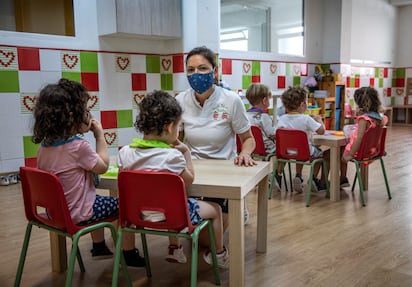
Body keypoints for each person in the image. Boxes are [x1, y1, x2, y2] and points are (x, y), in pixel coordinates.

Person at [32, 78, 145, 267]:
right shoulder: (78, 146)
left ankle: (99, 246)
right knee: (123, 205)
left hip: (57, 212)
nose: (89, 115)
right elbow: (102, 166)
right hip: (79, 213)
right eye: (85, 111)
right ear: (71, 116)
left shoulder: (44, 147)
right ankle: (128, 253)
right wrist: (100, 137)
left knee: (93, 197)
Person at [117, 90, 229, 268]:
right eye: (179, 126)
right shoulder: (172, 157)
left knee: (166, 199)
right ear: (170, 127)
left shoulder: (124, 153)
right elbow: (189, 179)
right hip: (170, 215)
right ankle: (219, 253)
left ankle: (174, 248)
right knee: (214, 209)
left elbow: (126, 183)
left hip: (138, 215)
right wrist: (186, 152)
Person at [175, 46, 256, 224]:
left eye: (202, 68)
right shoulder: (180, 100)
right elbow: (176, 141)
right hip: (193, 170)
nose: (196, 74)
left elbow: (248, 139)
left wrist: (245, 153)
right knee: (196, 228)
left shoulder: (231, 100)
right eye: (190, 70)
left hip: (225, 171)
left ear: (215, 71)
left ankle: (237, 205)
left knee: (209, 236)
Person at [276, 86, 329, 193]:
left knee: (296, 151)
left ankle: (290, 175)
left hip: (287, 152)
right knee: (321, 155)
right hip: (305, 151)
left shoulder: (281, 119)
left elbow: (276, 132)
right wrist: (319, 120)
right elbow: (321, 131)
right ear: (302, 105)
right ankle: (313, 179)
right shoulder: (306, 119)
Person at [340, 87, 388, 186]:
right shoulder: (381, 118)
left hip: (359, 153)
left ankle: (342, 179)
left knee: (338, 153)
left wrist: (350, 154)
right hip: (372, 151)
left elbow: (359, 138)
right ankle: (343, 180)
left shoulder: (364, 119)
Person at [245, 83, 276, 154]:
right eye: (269, 99)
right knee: (283, 151)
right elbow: (272, 134)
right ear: (264, 100)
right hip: (266, 148)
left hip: (250, 146)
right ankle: (277, 165)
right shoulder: (264, 116)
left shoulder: (245, 115)